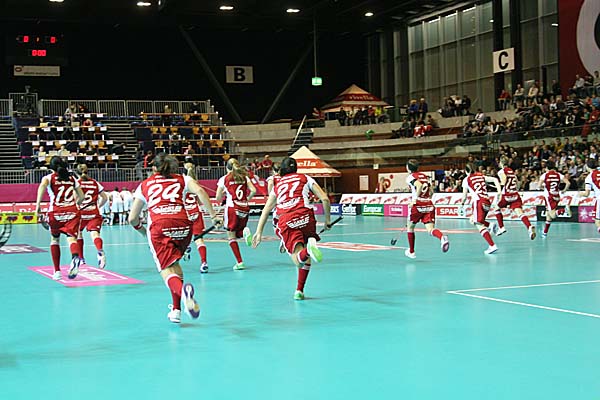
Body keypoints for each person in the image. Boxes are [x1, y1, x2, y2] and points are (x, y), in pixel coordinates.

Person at [128, 153, 220, 323]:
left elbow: (132, 218)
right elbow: (200, 191)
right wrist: (213, 216)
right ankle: (176, 310)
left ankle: (184, 294)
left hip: (160, 226)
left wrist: (143, 232)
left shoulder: (145, 185)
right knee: (175, 266)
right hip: (183, 225)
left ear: (154, 168)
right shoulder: (183, 179)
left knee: (166, 270)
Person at [252, 157, 331, 300]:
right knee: (306, 259)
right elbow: (325, 198)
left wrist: (258, 232)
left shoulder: (278, 184)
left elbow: (267, 208)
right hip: (307, 216)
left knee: (298, 260)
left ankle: (308, 250)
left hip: (287, 219)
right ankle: (299, 290)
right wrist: (327, 220)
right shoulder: (305, 178)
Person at [35, 156, 84, 280]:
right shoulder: (72, 178)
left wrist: (38, 206)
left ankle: (57, 271)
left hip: (56, 212)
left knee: (55, 240)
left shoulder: (48, 178)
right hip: (72, 212)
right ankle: (75, 257)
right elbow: (82, 197)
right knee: (72, 239)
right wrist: (75, 205)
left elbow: (42, 187)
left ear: (51, 167)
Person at [215, 158, 257, 270]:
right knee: (238, 232)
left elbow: (217, 197)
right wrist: (247, 199)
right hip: (244, 207)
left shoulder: (224, 179)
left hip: (232, 208)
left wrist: (223, 193)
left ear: (227, 168)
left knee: (231, 236)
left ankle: (240, 262)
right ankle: (244, 232)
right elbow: (254, 190)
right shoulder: (244, 177)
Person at [404, 159, 449, 259]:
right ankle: (442, 237)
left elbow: (419, 185)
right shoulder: (424, 176)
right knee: (430, 229)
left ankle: (411, 251)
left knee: (410, 227)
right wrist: (427, 199)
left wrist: (415, 200)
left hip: (418, 205)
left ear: (408, 168)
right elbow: (431, 190)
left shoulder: (410, 177)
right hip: (428, 204)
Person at [183, 162, 220, 273]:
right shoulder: (196, 184)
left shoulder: (181, 183)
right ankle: (204, 262)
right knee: (199, 239)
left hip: (185, 213)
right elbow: (200, 201)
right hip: (196, 213)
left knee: (180, 236)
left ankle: (185, 248)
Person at [459, 163, 501, 254]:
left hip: (478, 202)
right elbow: (495, 179)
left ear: (466, 171)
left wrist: (461, 204)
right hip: (487, 201)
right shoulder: (481, 176)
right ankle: (490, 225)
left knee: (478, 224)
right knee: (474, 220)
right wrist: (499, 191)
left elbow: (464, 196)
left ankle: (492, 245)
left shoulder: (466, 179)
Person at [493, 156, 536, 240]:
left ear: (501, 163)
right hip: (515, 194)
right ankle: (529, 226)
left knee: (496, 208)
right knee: (519, 212)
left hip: (507, 194)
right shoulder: (511, 171)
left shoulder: (501, 171)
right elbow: (516, 181)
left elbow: (504, 182)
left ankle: (501, 227)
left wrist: (498, 186)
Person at [75, 164, 109, 268]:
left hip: (81, 212)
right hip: (93, 212)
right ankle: (100, 251)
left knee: (78, 234)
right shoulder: (95, 183)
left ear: (77, 173)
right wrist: (98, 206)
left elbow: (76, 199)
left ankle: (81, 259)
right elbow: (105, 197)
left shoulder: (77, 183)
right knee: (95, 235)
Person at [538, 160, 571, 238]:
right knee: (548, 215)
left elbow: (539, 186)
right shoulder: (559, 175)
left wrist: (544, 187)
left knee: (552, 215)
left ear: (547, 167)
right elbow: (568, 183)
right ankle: (545, 233)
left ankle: (564, 210)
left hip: (549, 197)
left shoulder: (544, 175)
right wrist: (564, 190)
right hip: (556, 195)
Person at [578, 159, 600, 234]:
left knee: (597, 221)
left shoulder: (589, 177)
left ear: (587, 167)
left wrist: (581, 194)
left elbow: (587, 194)